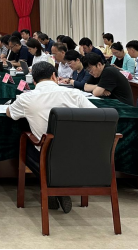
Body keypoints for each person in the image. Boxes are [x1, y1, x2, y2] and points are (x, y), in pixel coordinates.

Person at [9, 61, 95, 214]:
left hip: (45, 153)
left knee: (22, 141)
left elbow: (10, 113)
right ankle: (57, 187)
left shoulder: (26, 98)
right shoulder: (75, 94)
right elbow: (95, 115)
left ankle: (50, 186)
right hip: (76, 151)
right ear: (54, 76)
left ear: (34, 80)